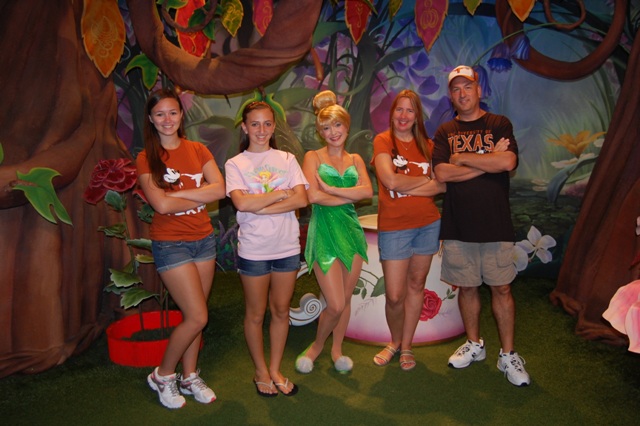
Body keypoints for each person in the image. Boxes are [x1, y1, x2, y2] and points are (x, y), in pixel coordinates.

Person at [432, 65, 530, 386]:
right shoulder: (445, 131)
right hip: (458, 225)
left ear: (478, 90)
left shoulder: (498, 124)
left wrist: (462, 158)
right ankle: (474, 344)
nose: (462, 93)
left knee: (502, 288)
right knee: (467, 286)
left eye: (467, 87)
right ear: (451, 96)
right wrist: (487, 160)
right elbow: (442, 173)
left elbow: (508, 161)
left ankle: (508, 354)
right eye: (456, 89)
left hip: (495, 223)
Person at [136, 88, 226, 409]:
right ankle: (163, 374)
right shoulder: (146, 158)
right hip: (171, 244)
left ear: (181, 115)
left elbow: (220, 189)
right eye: (159, 114)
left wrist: (177, 195)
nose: (167, 119)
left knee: (195, 316)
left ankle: (189, 376)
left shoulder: (198, 150)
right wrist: (197, 192)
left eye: (172, 112)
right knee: (198, 316)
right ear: (150, 119)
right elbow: (160, 205)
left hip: (204, 240)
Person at [224, 101, 308, 397]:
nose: (262, 130)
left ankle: (274, 369)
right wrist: (281, 194)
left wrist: (261, 205)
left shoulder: (287, 159)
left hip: (286, 247)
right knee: (256, 313)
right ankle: (260, 371)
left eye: (267, 124)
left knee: (281, 310)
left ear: (274, 127)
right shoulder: (235, 164)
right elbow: (241, 203)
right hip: (254, 251)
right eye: (255, 124)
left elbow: (301, 199)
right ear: (245, 127)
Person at [295, 91, 373, 374]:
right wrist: (347, 194)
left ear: (346, 126)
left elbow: (368, 192)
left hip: (351, 233)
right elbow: (312, 197)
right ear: (320, 132)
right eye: (326, 128)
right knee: (336, 304)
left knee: (346, 299)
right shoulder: (312, 157)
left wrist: (330, 190)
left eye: (337, 125)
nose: (333, 132)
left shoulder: (356, 159)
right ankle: (316, 347)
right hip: (324, 233)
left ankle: (337, 350)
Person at [370, 89, 445, 371]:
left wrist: (407, 181)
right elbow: (389, 181)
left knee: (416, 285)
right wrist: (425, 180)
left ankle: (406, 346)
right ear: (392, 114)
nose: (403, 116)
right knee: (394, 294)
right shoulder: (383, 141)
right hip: (394, 227)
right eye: (399, 109)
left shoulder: (429, 145)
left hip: (427, 224)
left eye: (409, 110)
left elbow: (442, 185)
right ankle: (394, 340)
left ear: (417, 116)